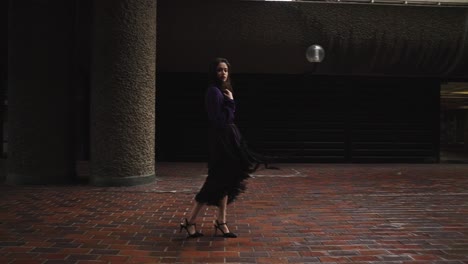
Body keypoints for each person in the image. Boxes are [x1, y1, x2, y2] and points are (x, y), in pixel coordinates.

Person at [179, 58, 272, 238]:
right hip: (221, 142)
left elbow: (227, 118)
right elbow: (219, 121)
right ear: (213, 72)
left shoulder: (222, 91)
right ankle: (189, 220)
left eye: (226, 70)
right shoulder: (213, 92)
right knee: (215, 180)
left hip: (227, 140)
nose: (223, 73)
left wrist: (230, 102)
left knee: (226, 180)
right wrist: (230, 103)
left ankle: (220, 221)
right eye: (220, 70)